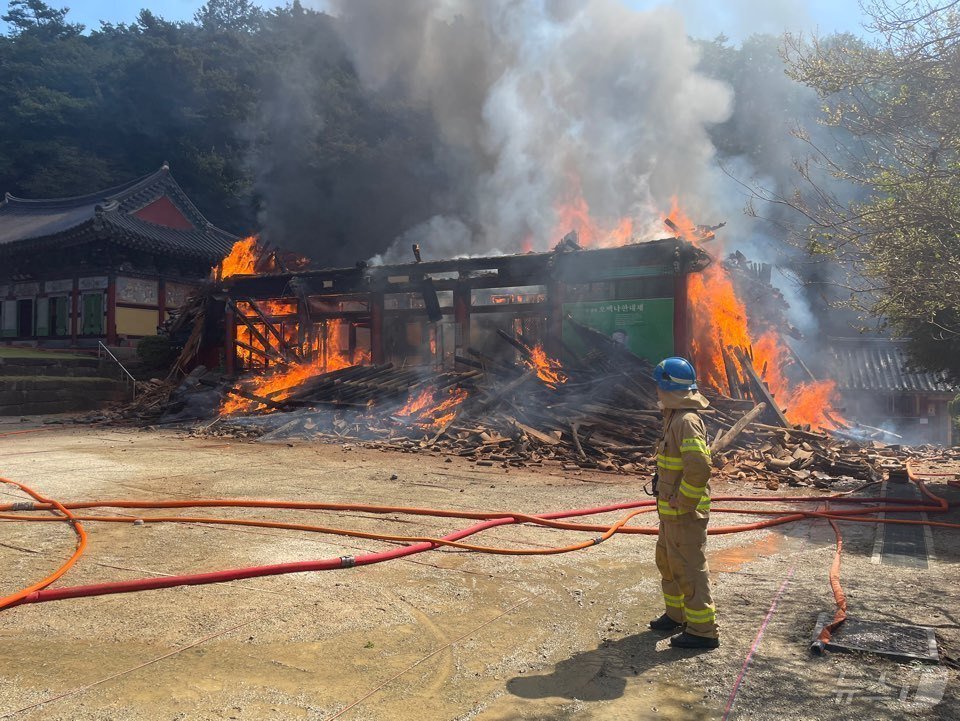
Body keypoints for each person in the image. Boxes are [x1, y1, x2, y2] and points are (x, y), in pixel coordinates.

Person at [648, 356, 719, 649]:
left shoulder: (687, 421)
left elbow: (700, 467)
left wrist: (684, 503)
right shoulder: (674, 417)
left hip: (684, 514)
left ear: (668, 387)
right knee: (669, 563)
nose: (656, 392)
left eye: (658, 386)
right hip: (671, 514)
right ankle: (677, 615)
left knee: (690, 568)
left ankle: (703, 631)